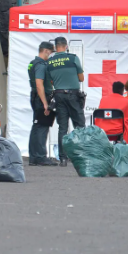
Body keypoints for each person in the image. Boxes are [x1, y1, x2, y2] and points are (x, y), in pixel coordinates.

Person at [46, 37, 85, 167]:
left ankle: (63, 159)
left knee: (62, 127)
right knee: (79, 126)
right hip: (73, 95)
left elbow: (51, 81)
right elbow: (81, 78)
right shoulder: (73, 58)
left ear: (56, 47)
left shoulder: (50, 62)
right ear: (66, 46)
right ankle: (81, 155)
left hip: (59, 95)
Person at [28, 41, 57, 166]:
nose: (51, 55)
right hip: (42, 97)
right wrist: (45, 103)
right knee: (42, 127)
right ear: (46, 51)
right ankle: (40, 156)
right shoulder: (41, 65)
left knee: (36, 126)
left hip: (36, 96)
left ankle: (34, 157)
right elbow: (39, 83)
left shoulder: (32, 63)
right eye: (51, 52)